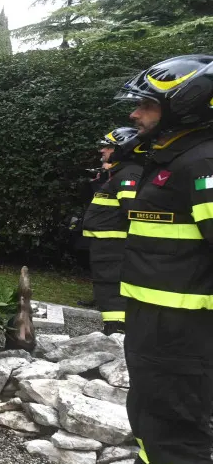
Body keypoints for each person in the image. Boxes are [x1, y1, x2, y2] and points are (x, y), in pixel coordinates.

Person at [73, 55, 213, 464]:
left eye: (147, 105)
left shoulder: (203, 164)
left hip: (185, 327)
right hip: (156, 319)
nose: (135, 114)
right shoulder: (171, 159)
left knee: (178, 430)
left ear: (187, 107)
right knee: (151, 414)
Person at [80, 127, 143, 335]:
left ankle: (117, 332)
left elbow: (132, 211)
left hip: (115, 245)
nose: (102, 151)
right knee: (106, 288)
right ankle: (113, 329)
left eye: (108, 146)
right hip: (106, 244)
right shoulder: (119, 173)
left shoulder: (130, 174)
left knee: (112, 288)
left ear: (124, 149)